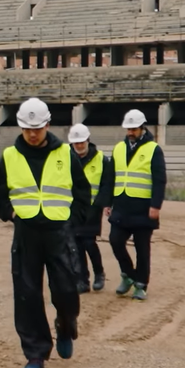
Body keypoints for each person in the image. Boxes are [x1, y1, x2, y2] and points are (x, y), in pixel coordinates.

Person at [0, 98, 90, 368]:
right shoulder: (10, 156)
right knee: (27, 295)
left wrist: (73, 223)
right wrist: (12, 215)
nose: (33, 134)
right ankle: (35, 354)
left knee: (68, 290)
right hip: (27, 235)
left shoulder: (65, 154)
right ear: (20, 127)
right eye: (27, 129)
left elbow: (82, 194)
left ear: (47, 124)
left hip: (59, 233)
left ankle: (66, 325)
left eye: (38, 128)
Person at [102, 109, 167, 302]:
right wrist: (107, 202)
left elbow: (159, 180)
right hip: (122, 206)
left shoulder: (153, 149)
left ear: (142, 127)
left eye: (134, 129)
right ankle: (128, 274)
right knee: (115, 241)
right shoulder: (118, 148)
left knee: (142, 248)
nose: (130, 132)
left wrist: (156, 206)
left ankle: (141, 285)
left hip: (143, 208)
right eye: (128, 129)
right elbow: (110, 177)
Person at [68, 123, 113, 292]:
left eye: (82, 142)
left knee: (89, 242)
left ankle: (99, 273)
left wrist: (103, 204)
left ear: (88, 140)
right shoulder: (65, 157)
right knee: (76, 244)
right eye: (76, 142)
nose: (79, 145)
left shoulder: (102, 159)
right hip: (72, 208)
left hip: (92, 208)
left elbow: (106, 185)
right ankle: (82, 280)